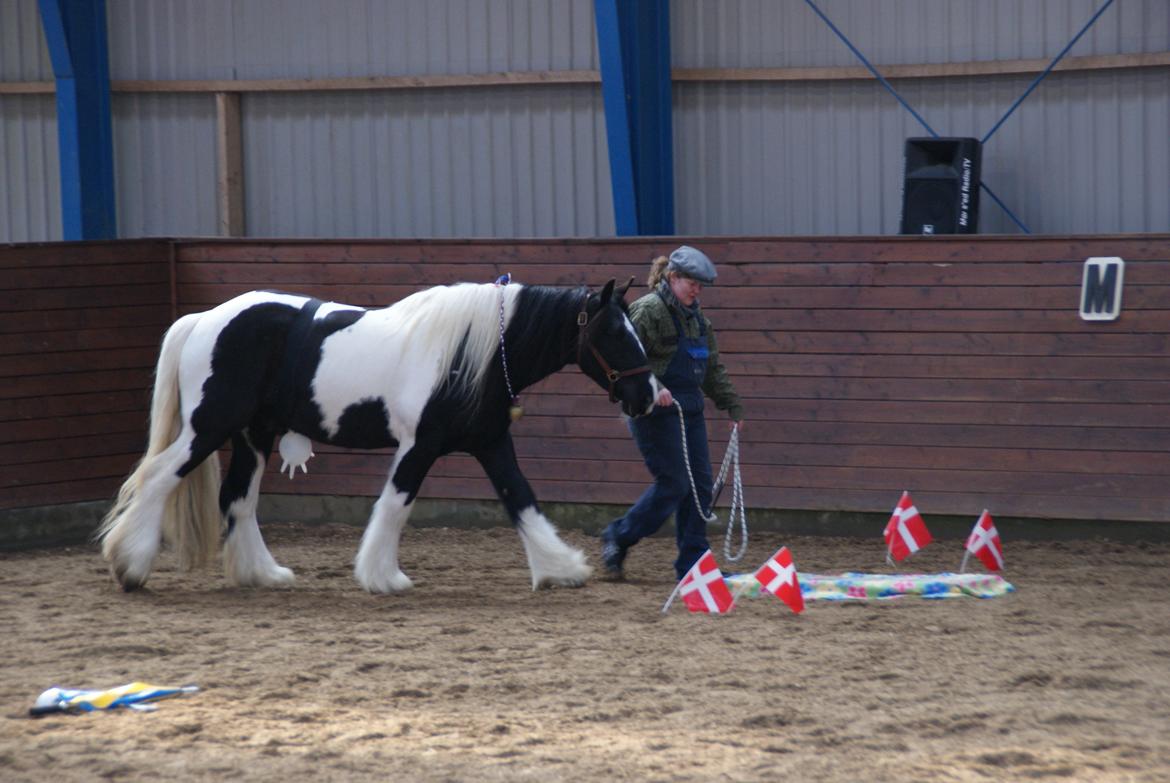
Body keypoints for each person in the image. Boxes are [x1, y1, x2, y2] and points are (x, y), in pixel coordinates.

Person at [601, 245, 745, 581]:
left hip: (689, 411)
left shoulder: (699, 321)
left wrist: (731, 403)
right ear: (672, 277)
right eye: (691, 282)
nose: (696, 289)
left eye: (700, 285)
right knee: (674, 483)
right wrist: (654, 386)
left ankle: (693, 563)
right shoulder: (647, 311)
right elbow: (626, 360)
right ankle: (619, 536)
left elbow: (711, 370)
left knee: (699, 487)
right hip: (652, 410)